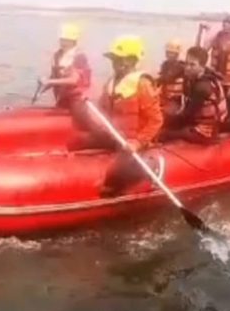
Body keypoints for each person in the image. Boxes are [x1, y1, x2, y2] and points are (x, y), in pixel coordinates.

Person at [68, 35, 163, 196]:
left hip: (134, 141)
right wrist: (89, 106)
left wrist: (138, 143)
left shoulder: (142, 84)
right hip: (115, 136)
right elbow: (103, 109)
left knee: (114, 177)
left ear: (132, 60)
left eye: (120, 59)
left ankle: (150, 166)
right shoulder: (112, 81)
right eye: (114, 59)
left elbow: (156, 120)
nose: (115, 63)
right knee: (76, 142)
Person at [160, 46, 227, 145]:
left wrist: (164, 120)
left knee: (164, 132)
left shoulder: (202, 88)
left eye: (192, 65)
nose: (187, 68)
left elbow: (187, 116)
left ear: (202, 66)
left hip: (205, 131)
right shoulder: (206, 73)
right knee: (168, 121)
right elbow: (176, 72)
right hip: (199, 122)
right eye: (187, 63)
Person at [38, 22, 92, 128]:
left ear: (74, 41)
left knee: (81, 123)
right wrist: (44, 87)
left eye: (67, 39)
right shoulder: (57, 55)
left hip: (76, 99)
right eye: (62, 39)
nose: (63, 42)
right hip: (61, 96)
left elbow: (74, 80)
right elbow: (54, 77)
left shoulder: (79, 57)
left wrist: (50, 82)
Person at [156, 38, 185, 122]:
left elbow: (167, 78)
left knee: (163, 115)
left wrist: (157, 80)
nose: (168, 54)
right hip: (165, 98)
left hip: (176, 100)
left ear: (177, 54)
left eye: (171, 52)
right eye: (168, 52)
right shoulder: (164, 65)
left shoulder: (181, 67)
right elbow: (160, 81)